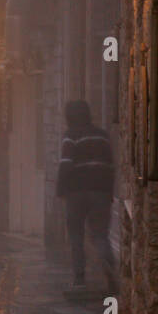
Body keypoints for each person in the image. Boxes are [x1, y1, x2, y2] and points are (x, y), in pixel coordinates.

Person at [55, 99, 116, 291]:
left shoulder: (70, 136)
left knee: (76, 235)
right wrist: (109, 192)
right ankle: (110, 271)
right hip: (100, 192)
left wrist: (60, 190)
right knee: (100, 234)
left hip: (76, 192)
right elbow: (110, 166)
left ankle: (79, 278)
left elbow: (66, 164)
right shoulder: (102, 136)